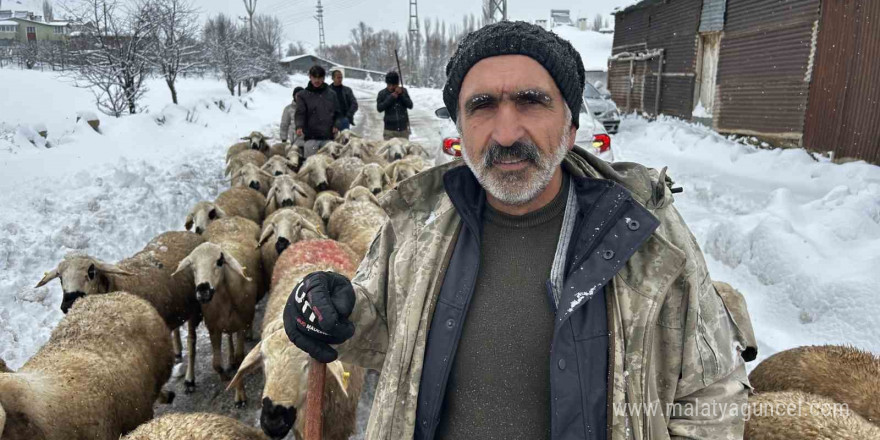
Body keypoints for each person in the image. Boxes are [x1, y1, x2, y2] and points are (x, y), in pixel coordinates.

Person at [283, 21, 754, 440]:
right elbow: (380, 330)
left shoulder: (645, 237)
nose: (506, 133)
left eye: (531, 102)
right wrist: (331, 311)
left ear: (570, 127)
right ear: (460, 134)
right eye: (482, 106)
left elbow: (712, 394)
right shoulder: (417, 225)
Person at [295, 65, 342, 157]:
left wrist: (336, 124)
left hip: (328, 137)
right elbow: (300, 113)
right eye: (314, 77)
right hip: (311, 138)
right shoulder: (302, 95)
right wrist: (299, 126)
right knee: (311, 163)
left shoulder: (332, 94)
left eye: (319, 78)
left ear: (324, 78)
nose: (317, 80)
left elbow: (337, 112)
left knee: (329, 163)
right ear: (310, 77)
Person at [376, 71, 413, 140]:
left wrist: (401, 94)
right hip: (389, 130)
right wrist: (391, 98)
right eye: (389, 85)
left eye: (394, 85)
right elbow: (379, 108)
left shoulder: (404, 91)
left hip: (403, 130)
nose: (391, 87)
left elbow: (410, 105)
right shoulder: (382, 93)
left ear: (398, 84)